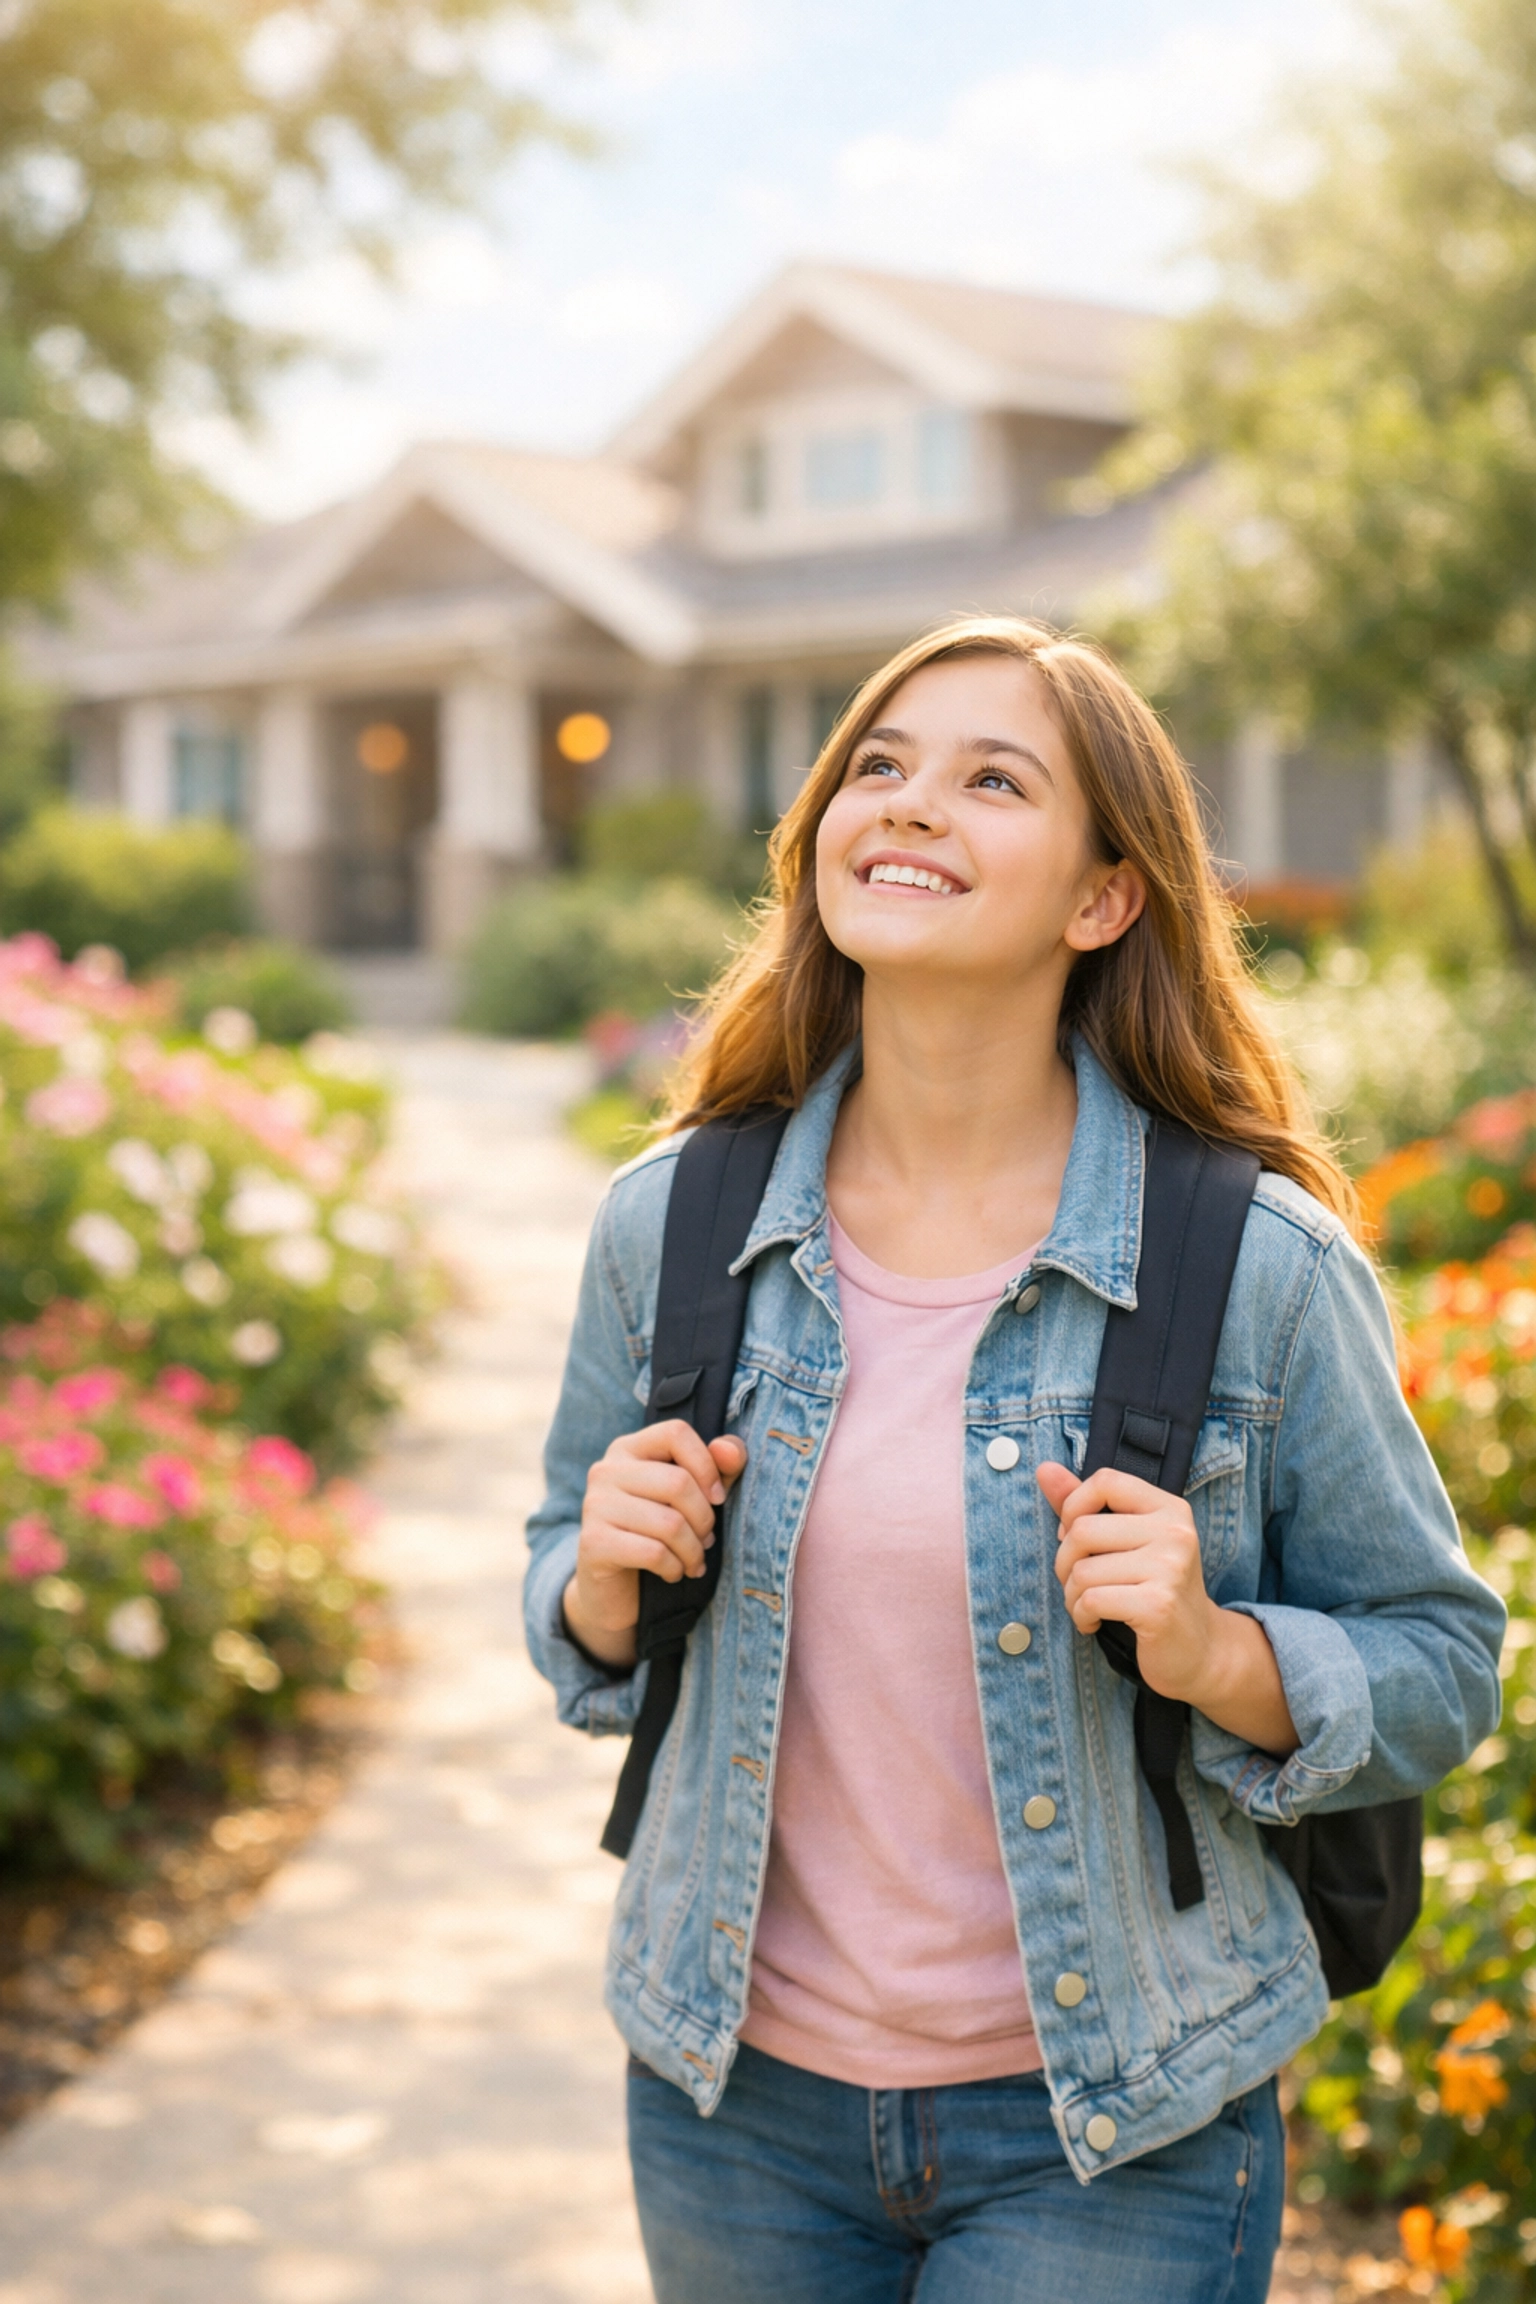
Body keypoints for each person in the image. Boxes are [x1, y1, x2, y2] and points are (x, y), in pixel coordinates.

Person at [525, 616, 1504, 2304]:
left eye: (992, 780)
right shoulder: (675, 1223)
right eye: (879, 768)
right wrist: (599, 1577)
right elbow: (569, 1583)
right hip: (730, 2103)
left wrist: (1219, 1653)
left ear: (1103, 897)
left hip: (1112, 2127)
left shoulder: (1256, 1267)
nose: (909, 807)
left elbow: (1444, 1663)